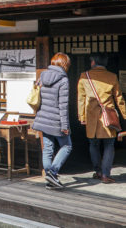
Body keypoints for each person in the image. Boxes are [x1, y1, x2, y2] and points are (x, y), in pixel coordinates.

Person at [78, 54, 126, 184]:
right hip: (108, 117)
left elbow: (81, 99)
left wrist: (82, 116)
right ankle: (106, 174)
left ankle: (98, 172)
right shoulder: (112, 76)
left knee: (93, 144)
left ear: (93, 62)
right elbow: (119, 99)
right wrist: (125, 115)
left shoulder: (84, 76)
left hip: (92, 118)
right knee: (109, 145)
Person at [32, 52, 72, 189]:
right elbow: (63, 105)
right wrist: (65, 125)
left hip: (43, 119)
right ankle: (53, 172)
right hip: (56, 120)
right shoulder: (63, 80)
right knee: (67, 146)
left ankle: (50, 177)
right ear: (65, 64)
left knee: (48, 148)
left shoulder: (42, 76)